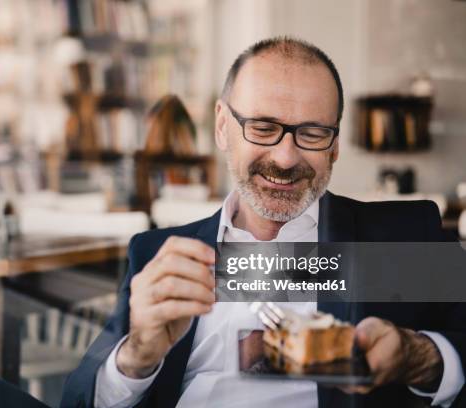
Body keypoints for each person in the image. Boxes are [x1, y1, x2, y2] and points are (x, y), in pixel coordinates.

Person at [61, 37, 466, 407]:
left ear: (335, 144)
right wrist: (137, 355)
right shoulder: (155, 255)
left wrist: (416, 356)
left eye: (311, 133)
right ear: (223, 126)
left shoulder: (402, 237)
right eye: (263, 127)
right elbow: (82, 398)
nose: (286, 158)